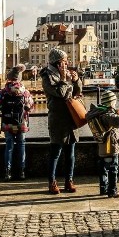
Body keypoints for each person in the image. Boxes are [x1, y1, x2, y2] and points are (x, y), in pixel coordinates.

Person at [40, 48, 83, 194]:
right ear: (58, 63)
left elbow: (77, 93)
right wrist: (64, 80)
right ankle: (52, 182)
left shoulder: (67, 74)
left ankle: (69, 181)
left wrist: (76, 80)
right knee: (55, 153)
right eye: (64, 61)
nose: (67, 63)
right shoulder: (47, 77)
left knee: (70, 154)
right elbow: (61, 94)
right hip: (58, 119)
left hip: (71, 118)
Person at [85, 89, 119, 198]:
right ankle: (112, 190)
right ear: (111, 102)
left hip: (102, 145)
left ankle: (103, 188)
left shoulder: (99, 111)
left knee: (103, 167)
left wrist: (115, 112)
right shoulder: (108, 115)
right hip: (111, 145)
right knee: (113, 167)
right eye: (114, 101)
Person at [0, 64, 34, 180]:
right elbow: (31, 106)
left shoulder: (3, 92)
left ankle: (8, 172)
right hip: (21, 123)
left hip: (7, 123)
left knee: (9, 146)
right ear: (19, 78)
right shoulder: (24, 92)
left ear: (9, 77)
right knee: (21, 145)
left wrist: (4, 109)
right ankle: (22, 172)